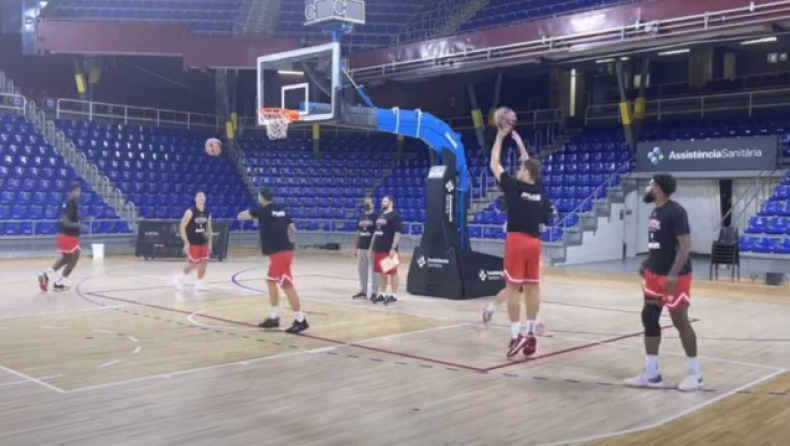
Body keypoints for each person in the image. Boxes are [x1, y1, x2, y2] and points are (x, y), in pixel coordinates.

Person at [626, 174, 701, 392]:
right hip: (655, 275)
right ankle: (652, 373)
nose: (648, 188)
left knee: (680, 321)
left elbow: (685, 246)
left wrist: (673, 273)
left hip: (676, 277)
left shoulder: (676, 212)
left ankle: (696, 374)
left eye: (651, 184)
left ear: (657, 188)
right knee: (649, 318)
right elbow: (659, 245)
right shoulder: (656, 211)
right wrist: (648, 263)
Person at [486, 107, 546, 358]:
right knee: (532, 289)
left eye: (522, 168)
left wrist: (500, 137)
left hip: (517, 241)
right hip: (535, 243)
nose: (519, 170)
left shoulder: (513, 186)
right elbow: (529, 164)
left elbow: (494, 163)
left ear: (526, 173)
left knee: (512, 290)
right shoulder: (539, 189)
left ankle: (515, 335)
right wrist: (520, 145)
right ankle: (530, 333)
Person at [238, 188, 308, 334]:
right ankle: (274, 316)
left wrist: (251, 212)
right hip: (282, 252)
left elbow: (241, 216)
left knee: (287, 285)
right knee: (271, 281)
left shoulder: (263, 211)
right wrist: (284, 239)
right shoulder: (281, 210)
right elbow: (293, 228)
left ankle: (300, 319)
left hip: (279, 254)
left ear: (261, 198)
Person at [38, 183, 83, 292]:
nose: (79, 193)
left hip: (64, 235)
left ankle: (46, 274)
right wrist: (77, 225)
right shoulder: (71, 204)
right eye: (77, 191)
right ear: (72, 192)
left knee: (65, 259)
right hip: (70, 237)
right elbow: (65, 221)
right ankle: (59, 283)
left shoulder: (69, 204)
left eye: (79, 191)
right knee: (73, 261)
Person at [174, 191, 212, 292]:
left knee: (204, 262)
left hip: (203, 241)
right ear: (195, 199)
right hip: (193, 242)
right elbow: (182, 226)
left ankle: (199, 283)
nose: (201, 197)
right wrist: (186, 242)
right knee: (194, 263)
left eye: (203, 196)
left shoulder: (207, 212)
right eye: (199, 196)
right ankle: (179, 278)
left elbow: (209, 228)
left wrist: (210, 243)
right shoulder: (190, 211)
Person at [370, 196, 403, 305]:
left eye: (385, 201)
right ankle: (383, 293)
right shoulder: (381, 215)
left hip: (388, 249)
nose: (382, 203)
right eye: (382, 201)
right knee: (382, 272)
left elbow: (397, 233)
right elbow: (376, 232)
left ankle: (394, 295)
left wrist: (393, 248)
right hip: (378, 248)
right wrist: (373, 247)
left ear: (391, 202)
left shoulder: (395, 216)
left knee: (392, 272)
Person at [353, 196, 380, 300]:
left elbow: (377, 233)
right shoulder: (360, 216)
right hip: (361, 246)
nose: (366, 204)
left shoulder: (376, 216)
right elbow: (358, 232)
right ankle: (363, 290)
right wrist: (356, 247)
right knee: (362, 270)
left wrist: (373, 247)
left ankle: (374, 292)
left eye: (368, 202)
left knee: (374, 270)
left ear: (373, 204)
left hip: (371, 247)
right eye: (365, 202)